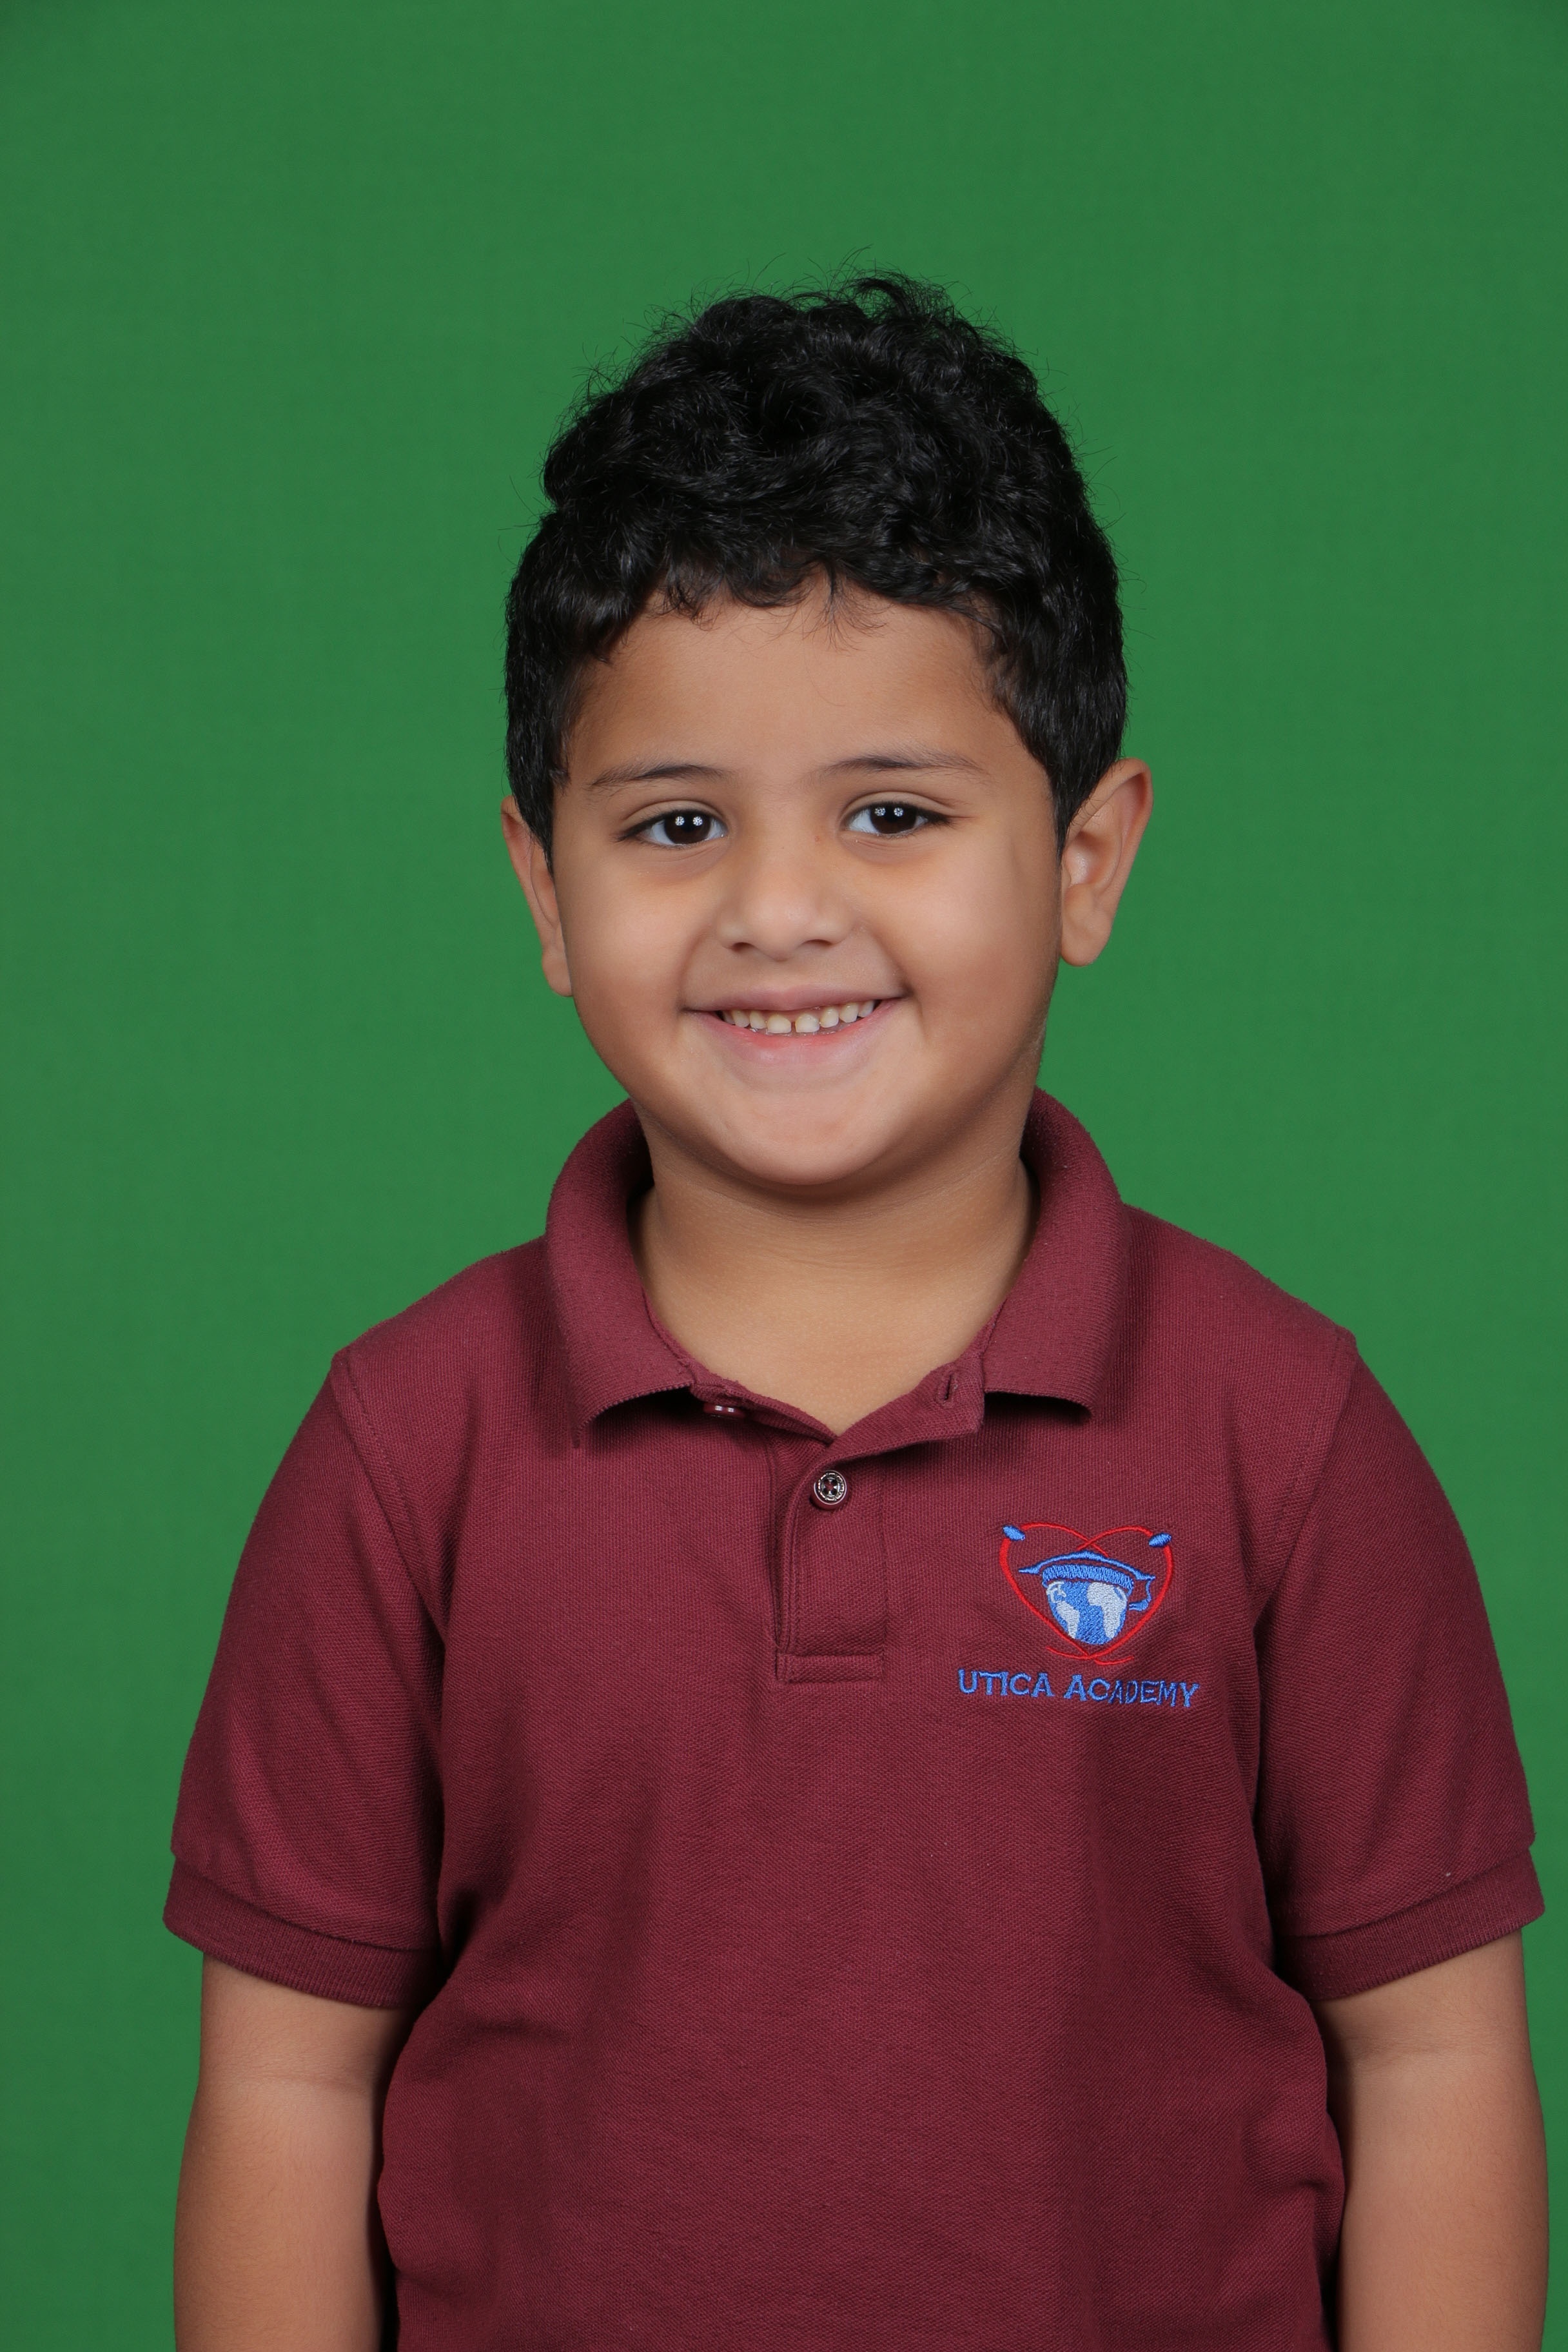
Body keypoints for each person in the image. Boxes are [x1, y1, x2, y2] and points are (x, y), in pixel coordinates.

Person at [166, 277, 1546, 2352]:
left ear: (1087, 858)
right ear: (545, 892)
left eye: (893, 812)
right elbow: (288, 2088)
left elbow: (1432, 2061)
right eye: (676, 824)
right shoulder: (403, 1454)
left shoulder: (1287, 1436)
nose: (780, 908)